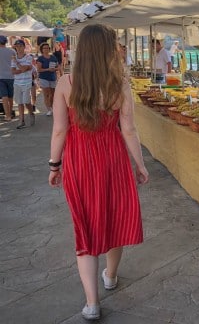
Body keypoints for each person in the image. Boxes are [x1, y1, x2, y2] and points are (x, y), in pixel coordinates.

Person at [48, 23, 149, 321]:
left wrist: (55, 166)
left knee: (86, 225)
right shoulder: (119, 85)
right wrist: (140, 165)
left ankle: (92, 304)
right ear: (107, 50)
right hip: (113, 160)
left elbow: (59, 131)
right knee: (115, 217)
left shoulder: (66, 84)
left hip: (80, 161)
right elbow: (128, 130)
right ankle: (111, 275)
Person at [11, 39, 35, 129]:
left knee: (26, 101)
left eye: (20, 46)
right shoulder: (14, 57)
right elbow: (13, 71)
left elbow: (24, 69)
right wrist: (23, 69)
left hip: (27, 82)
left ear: (24, 47)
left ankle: (31, 113)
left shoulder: (28, 57)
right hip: (17, 82)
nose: (18, 48)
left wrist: (18, 64)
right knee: (19, 102)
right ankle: (22, 120)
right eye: (17, 46)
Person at [36, 43, 60, 116]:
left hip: (52, 77)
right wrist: (47, 69)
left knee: (52, 95)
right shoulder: (40, 58)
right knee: (46, 94)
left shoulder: (53, 57)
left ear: (49, 49)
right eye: (44, 48)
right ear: (42, 50)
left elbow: (58, 67)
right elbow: (39, 69)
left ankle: (52, 107)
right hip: (44, 78)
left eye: (47, 48)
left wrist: (54, 69)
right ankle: (49, 109)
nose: (46, 49)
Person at [0, 35, 15, 120]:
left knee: (4, 96)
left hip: (1, 77)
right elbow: (16, 62)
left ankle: (8, 115)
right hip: (11, 76)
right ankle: (11, 112)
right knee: (10, 97)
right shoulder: (12, 51)